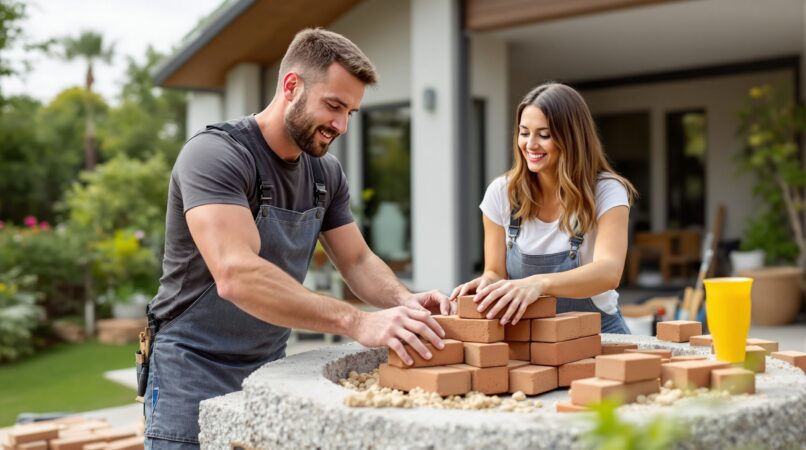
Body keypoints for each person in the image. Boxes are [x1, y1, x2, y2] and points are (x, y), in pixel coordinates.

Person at [143, 28, 450, 449]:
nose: (341, 125)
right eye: (334, 106)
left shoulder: (325, 175)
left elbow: (357, 261)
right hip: (190, 370)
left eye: (351, 113)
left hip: (269, 369)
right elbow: (236, 274)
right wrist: (357, 321)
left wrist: (405, 302)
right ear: (291, 86)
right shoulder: (216, 156)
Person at [449, 82, 636, 334]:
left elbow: (609, 271)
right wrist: (485, 284)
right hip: (529, 337)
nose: (530, 144)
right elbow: (495, 271)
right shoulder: (501, 193)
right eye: (524, 132)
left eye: (544, 134)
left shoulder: (606, 191)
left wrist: (540, 283)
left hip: (599, 332)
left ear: (572, 137)